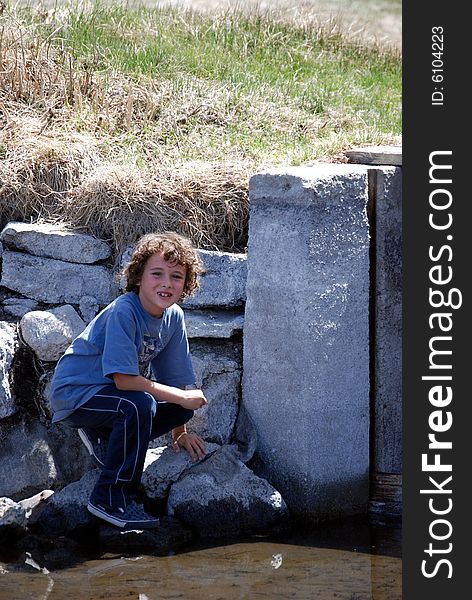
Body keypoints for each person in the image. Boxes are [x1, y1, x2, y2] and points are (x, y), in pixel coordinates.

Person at [49, 231, 208, 530]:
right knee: (139, 404)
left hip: (115, 397)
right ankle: (109, 498)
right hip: (78, 394)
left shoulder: (173, 317)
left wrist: (179, 433)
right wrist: (178, 396)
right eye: (157, 274)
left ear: (186, 285)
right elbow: (123, 380)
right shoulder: (125, 310)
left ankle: (106, 439)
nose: (166, 283)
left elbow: (177, 381)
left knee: (181, 407)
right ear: (137, 278)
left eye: (176, 276)